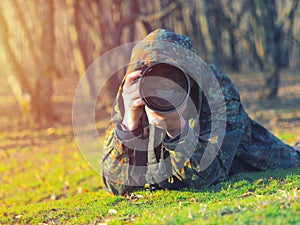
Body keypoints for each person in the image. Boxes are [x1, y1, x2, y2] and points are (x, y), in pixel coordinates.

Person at [101, 28, 300, 195]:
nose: (163, 90)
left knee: (294, 159)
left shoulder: (216, 90)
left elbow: (208, 175)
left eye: (171, 78)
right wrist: (129, 126)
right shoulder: (131, 93)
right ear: (137, 76)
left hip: (245, 156)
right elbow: (115, 185)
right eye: (154, 81)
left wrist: (175, 128)